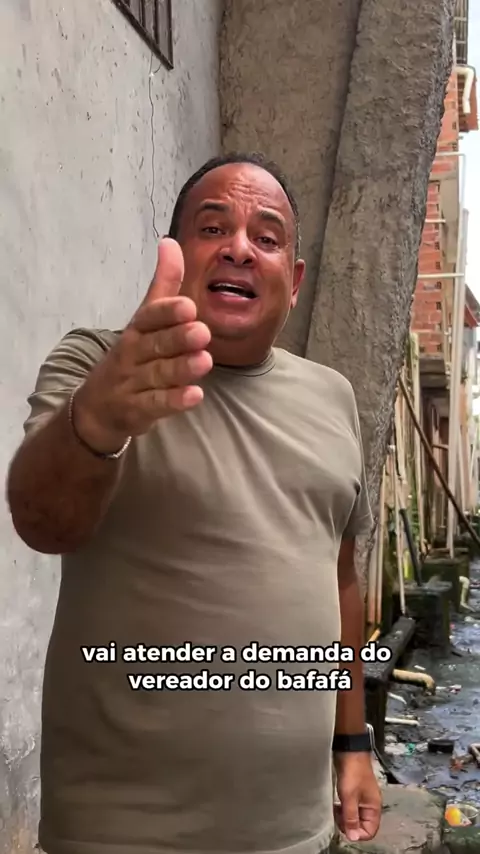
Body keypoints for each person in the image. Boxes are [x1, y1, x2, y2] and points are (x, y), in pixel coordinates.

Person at [7, 152, 382, 854]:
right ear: (175, 254)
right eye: (213, 228)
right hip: (121, 834)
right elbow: (41, 522)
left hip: (294, 831)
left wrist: (353, 742)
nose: (240, 248)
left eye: (267, 237)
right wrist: (97, 421)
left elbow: (339, 579)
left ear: (294, 280)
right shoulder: (100, 366)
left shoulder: (333, 398)